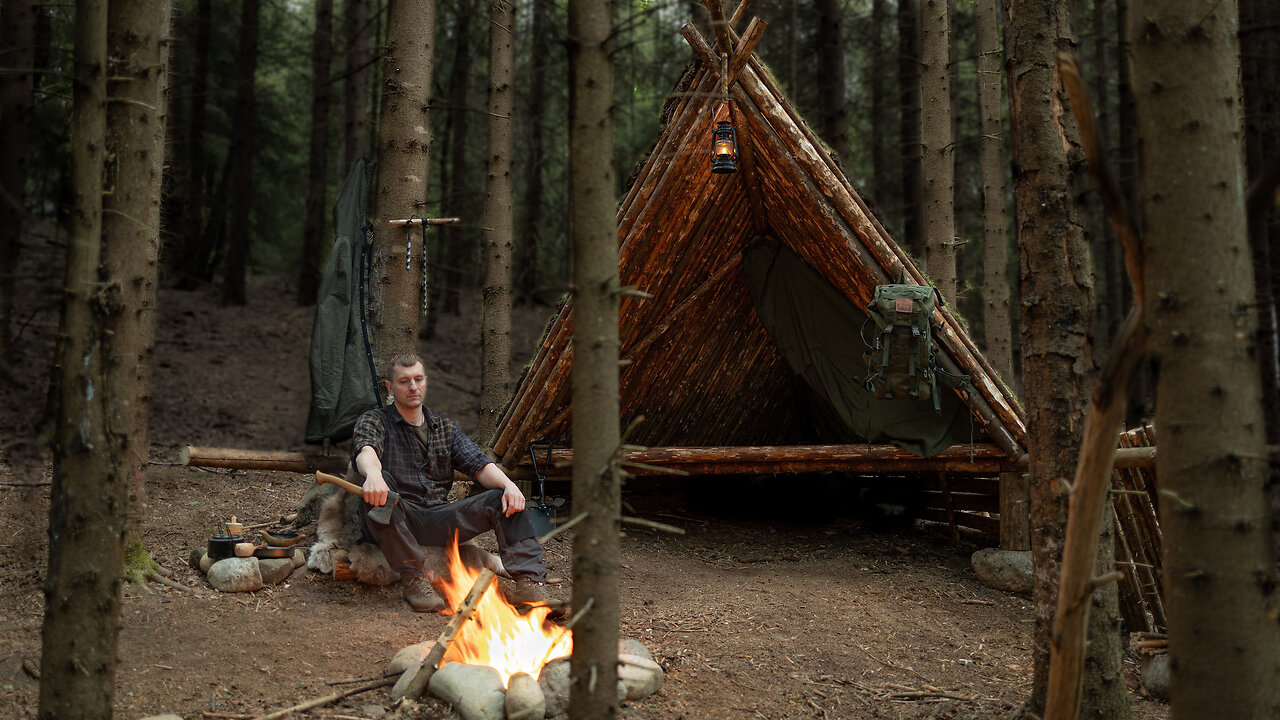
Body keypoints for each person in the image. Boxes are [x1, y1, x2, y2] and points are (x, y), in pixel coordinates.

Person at [351, 352, 552, 613]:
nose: (412, 387)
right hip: (394, 516)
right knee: (381, 486)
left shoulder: (445, 427)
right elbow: (366, 450)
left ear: (425, 382)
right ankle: (414, 579)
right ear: (390, 387)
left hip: (436, 517)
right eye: (404, 381)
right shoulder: (375, 420)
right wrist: (373, 475)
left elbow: (479, 465)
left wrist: (509, 485)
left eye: (418, 379)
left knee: (500, 496)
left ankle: (529, 582)